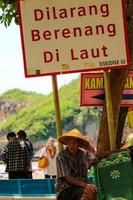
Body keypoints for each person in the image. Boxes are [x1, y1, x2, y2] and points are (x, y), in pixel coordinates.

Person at [56, 129, 98, 200]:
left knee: (92, 191)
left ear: (79, 144)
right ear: (67, 144)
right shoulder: (61, 156)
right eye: (70, 142)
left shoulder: (84, 154)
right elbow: (67, 177)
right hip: (66, 188)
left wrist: (88, 147)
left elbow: (95, 157)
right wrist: (84, 185)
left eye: (75, 142)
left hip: (82, 186)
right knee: (86, 194)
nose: (72, 145)